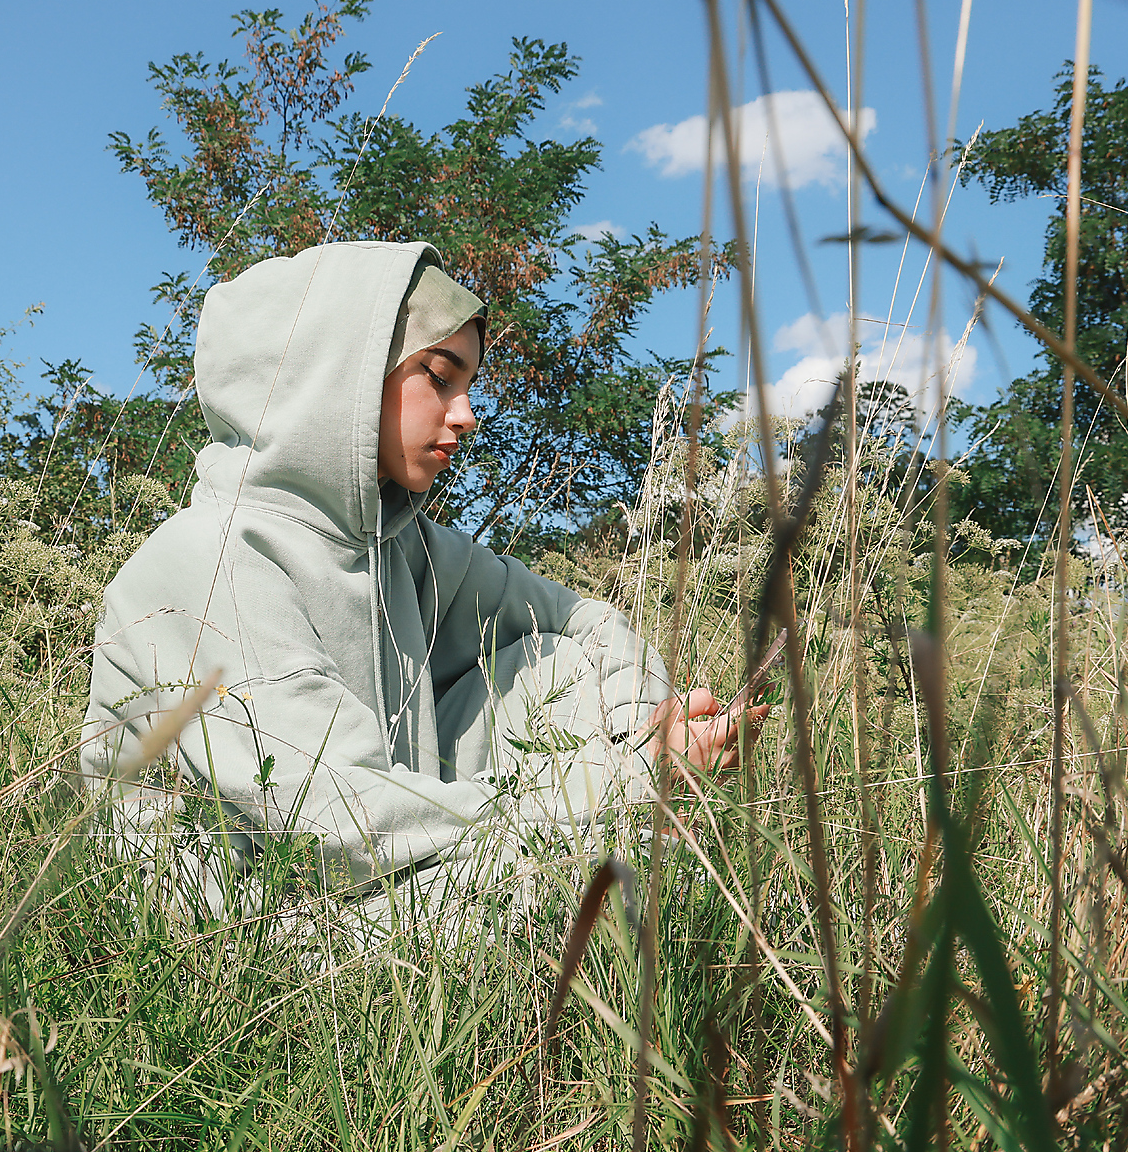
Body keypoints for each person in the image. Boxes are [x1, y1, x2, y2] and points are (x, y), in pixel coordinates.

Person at [83, 241, 767, 910]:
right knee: (583, 887)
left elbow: (585, 623)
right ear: (340, 375)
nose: (466, 415)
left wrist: (646, 733)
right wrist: (616, 789)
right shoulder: (208, 563)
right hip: (256, 933)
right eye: (440, 377)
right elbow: (337, 820)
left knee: (561, 670)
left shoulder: (401, 549)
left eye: (469, 385)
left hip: (385, 881)